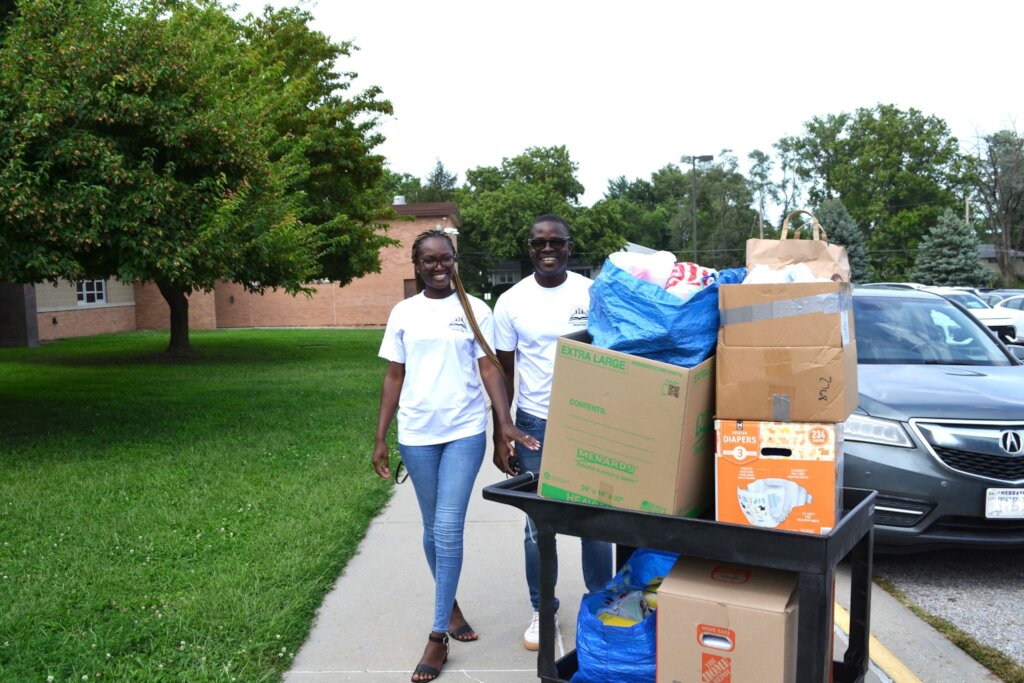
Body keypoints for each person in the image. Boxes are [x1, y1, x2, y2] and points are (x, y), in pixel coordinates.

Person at [372, 229, 540, 682]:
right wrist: (381, 436)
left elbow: (490, 366)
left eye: (446, 259)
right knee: (432, 531)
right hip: (417, 435)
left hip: (463, 430)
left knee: (447, 527)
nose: (439, 266)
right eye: (429, 260)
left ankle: (436, 638)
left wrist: (503, 423)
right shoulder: (403, 312)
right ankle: (451, 607)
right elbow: (394, 375)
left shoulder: (474, 309)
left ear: (455, 260)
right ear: (417, 265)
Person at [491, 214, 613, 651]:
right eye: (539, 243)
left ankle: (601, 603)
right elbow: (503, 372)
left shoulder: (591, 292)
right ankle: (543, 608)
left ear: (568, 246)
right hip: (535, 424)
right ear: (529, 248)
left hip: (589, 419)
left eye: (556, 242)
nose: (548, 249)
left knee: (595, 520)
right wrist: (499, 431)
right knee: (537, 525)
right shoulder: (511, 301)